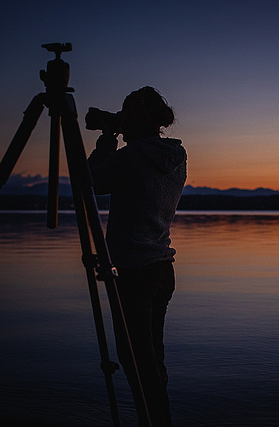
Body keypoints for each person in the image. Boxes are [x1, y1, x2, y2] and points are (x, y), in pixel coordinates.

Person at [87, 86, 187, 426]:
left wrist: (106, 139)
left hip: (133, 274)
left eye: (125, 113)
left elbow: (92, 180)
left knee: (135, 360)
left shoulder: (132, 157)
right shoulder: (175, 157)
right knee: (151, 360)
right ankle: (158, 420)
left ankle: (153, 422)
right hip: (161, 268)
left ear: (136, 119)